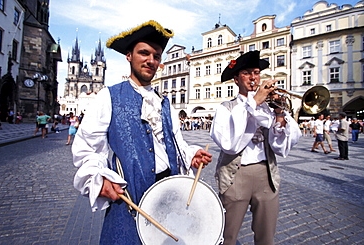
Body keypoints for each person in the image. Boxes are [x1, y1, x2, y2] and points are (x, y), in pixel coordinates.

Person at [72, 20, 212, 244]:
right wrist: (98, 178)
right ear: (129, 55)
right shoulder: (108, 97)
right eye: (144, 53)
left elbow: (175, 143)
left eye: (156, 56)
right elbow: (86, 148)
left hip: (169, 197)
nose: (151, 61)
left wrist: (191, 154)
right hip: (129, 200)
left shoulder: (165, 103)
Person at [210, 50, 301, 245]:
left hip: (266, 173)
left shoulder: (268, 108)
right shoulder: (226, 108)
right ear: (236, 79)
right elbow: (229, 144)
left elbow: (281, 146)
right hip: (236, 175)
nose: (253, 78)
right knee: (227, 235)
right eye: (247, 73)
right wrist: (254, 102)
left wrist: (279, 114)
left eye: (256, 72)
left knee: (266, 236)